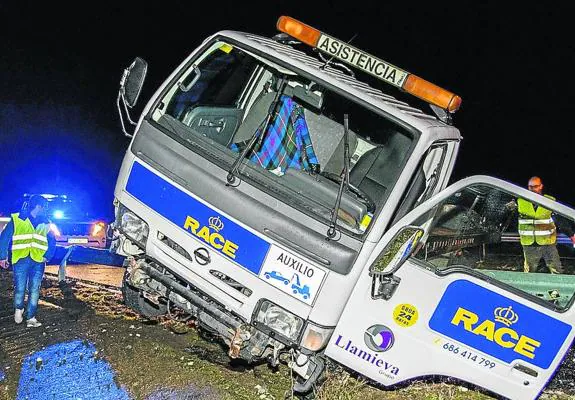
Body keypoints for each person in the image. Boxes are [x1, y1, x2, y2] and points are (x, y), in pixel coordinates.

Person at [0, 195, 56, 327]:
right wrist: (2, 257)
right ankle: (18, 308)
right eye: (44, 207)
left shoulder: (47, 222)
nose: (46, 210)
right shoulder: (17, 219)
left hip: (38, 261)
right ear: (39, 206)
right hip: (21, 259)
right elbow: (4, 238)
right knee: (20, 288)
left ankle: (31, 317)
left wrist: (47, 256)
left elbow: (52, 241)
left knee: (34, 289)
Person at [514, 176, 575, 274]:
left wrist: (571, 235)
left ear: (541, 186)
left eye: (536, 186)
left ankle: (557, 289)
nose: (533, 189)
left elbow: (559, 220)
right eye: (530, 187)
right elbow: (510, 217)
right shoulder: (520, 201)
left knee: (556, 269)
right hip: (529, 244)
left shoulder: (550, 201)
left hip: (548, 243)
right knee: (529, 271)